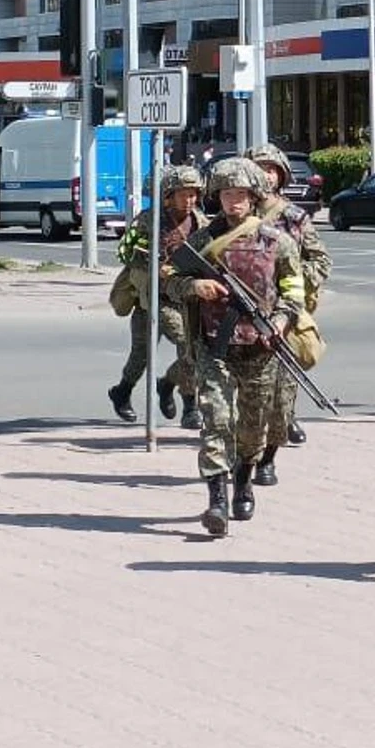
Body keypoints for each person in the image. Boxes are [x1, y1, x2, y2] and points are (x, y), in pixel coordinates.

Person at [167, 157, 305, 535]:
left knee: (252, 428)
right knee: (217, 421)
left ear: (255, 197)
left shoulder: (278, 243)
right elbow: (171, 281)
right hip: (216, 349)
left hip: (261, 351)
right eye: (227, 194)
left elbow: (294, 293)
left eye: (241, 194)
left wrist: (279, 320)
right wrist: (194, 287)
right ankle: (216, 502)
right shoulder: (202, 242)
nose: (234, 202)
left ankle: (244, 480)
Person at [245, 143, 331, 474]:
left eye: (271, 169)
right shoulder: (235, 215)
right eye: (259, 168)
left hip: (285, 313)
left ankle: (268, 458)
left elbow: (320, 260)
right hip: (242, 320)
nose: (266, 175)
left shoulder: (293, 218)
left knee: (282, 395)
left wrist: (289, 280)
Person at [109, 165, 206, 429]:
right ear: (169, 195)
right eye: (183, 195)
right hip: (153, 299)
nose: (189, 200)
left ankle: (188, 405)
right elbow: (125, 252)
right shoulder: (149, 220)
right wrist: (154, 265)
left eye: (193, 194)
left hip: (186, 299)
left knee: (189, 348)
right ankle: (122, 392)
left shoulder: (202, 223)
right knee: (141, 355)